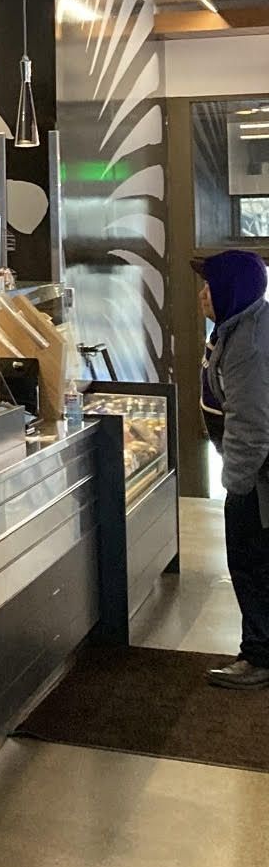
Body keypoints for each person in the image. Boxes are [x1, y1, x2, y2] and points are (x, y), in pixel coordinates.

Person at [195, 250, 269, 688]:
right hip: (255, 475)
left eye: (209, 285)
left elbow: (252, 423)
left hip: (256, 480)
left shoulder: (249, 343)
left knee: (251, 564)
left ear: (231, 288)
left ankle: (258, 657)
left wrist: (235, 487)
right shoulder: (242, 326)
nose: (203, 295)